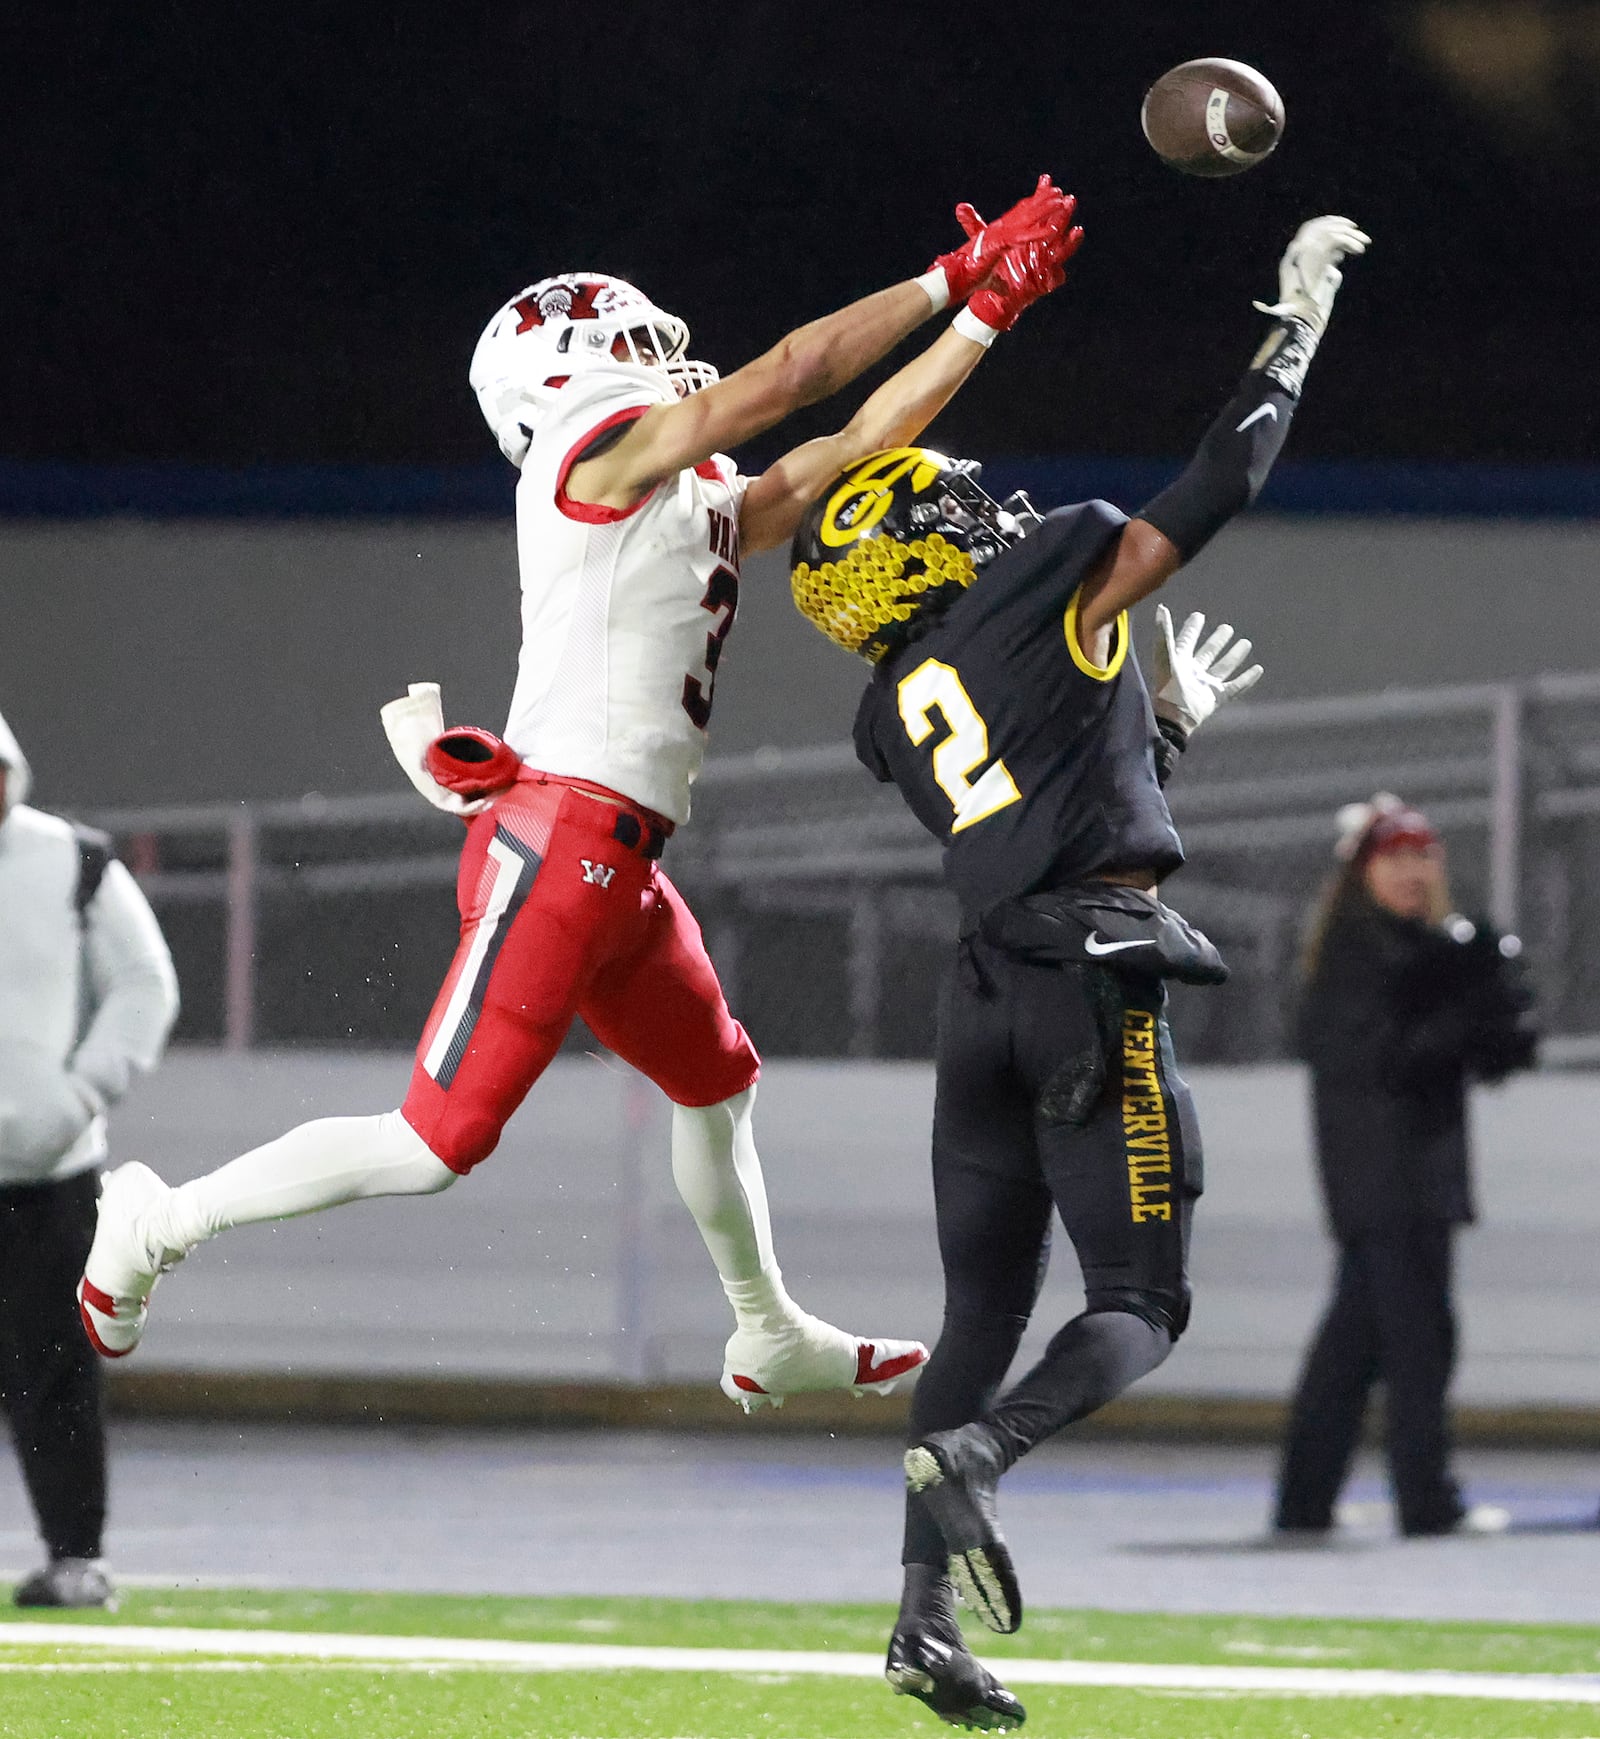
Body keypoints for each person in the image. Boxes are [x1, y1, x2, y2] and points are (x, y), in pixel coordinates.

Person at [78, 179, 1084, 1415]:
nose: (665, 358)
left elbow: (851, 445)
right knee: (435, 1144)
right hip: (560, 839)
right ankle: (153, 1220)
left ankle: (767, 1328)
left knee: (718, 1081)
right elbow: (781, 378)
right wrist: (945, 273)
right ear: (563, 370)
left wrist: (983, 317)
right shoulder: (589, 458)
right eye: (636, 341)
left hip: (617, 852)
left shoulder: (682, 494)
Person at [787, 212, 1369, 1728]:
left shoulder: (886, 706)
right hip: (1082, 976)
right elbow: (1218, 483)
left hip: (978, 988)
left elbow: (1023, 786)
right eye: (951, 503)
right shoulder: (1050, 567)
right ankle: (986, 1455)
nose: (988, 504)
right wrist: (1291, 331)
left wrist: (1154, 730)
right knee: (1140, 1296)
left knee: (979, 1314)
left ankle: (920, 1622)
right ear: (915, 544)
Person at [1273, 793, 1536, 1541]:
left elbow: (1473, 1051)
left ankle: (1304, 1500)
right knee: (1419, 1341)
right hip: (1390, 1183)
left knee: (1354, 1348)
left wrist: (1495, 1018)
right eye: (1396, 855)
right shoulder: (1359, 955)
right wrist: (1469, 1012)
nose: (1414, 869)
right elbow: (1393, 1059)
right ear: (1363, 871)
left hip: (1407, 1179)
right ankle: (1427, 1498)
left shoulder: (1416, 949)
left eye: (1424, 854)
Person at [0, 708, 179, 1608]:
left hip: (51, 1174)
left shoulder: (76, 861)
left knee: (55, 1369)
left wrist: (78, 1093)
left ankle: (76, 1555)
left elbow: (146, 982)